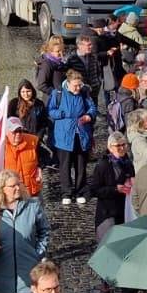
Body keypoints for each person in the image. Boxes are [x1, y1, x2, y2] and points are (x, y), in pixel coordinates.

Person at [47, 69, 97, 205]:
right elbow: (50, 111)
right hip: (64, 135)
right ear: (68, 83)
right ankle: (66, 192)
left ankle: (80, 190)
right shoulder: (57, 93)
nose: (78, 88)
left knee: (81, 165)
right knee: (65, 165)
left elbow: (92, 107)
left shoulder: (84, 92)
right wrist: (62, 114)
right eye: (75, 85)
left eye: (79, 85)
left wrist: (89, 115)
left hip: (81, 134)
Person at [1, 116, 44, 199]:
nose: (18, 134)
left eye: (20, 131)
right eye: (15, 131)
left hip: (32, 191)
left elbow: (46, 156)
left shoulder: (33, 141)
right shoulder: (0, 145)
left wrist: (40, 168)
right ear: (7, 132)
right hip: (10, 194)